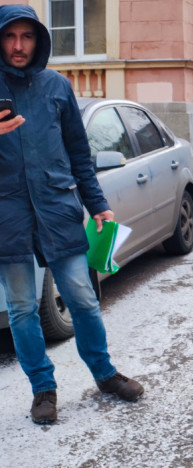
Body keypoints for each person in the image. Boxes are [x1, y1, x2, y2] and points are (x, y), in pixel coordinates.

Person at [0, 4, 143, 425]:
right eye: (10, 36)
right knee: (23, 309)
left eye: (26, 37)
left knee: (82, 299)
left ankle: (104, 373)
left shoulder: (57, 87)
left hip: (59, 210)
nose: (18, 45)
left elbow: (80, 153)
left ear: (39, 40)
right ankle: (43, 389)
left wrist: (98, 203)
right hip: (7, 217)